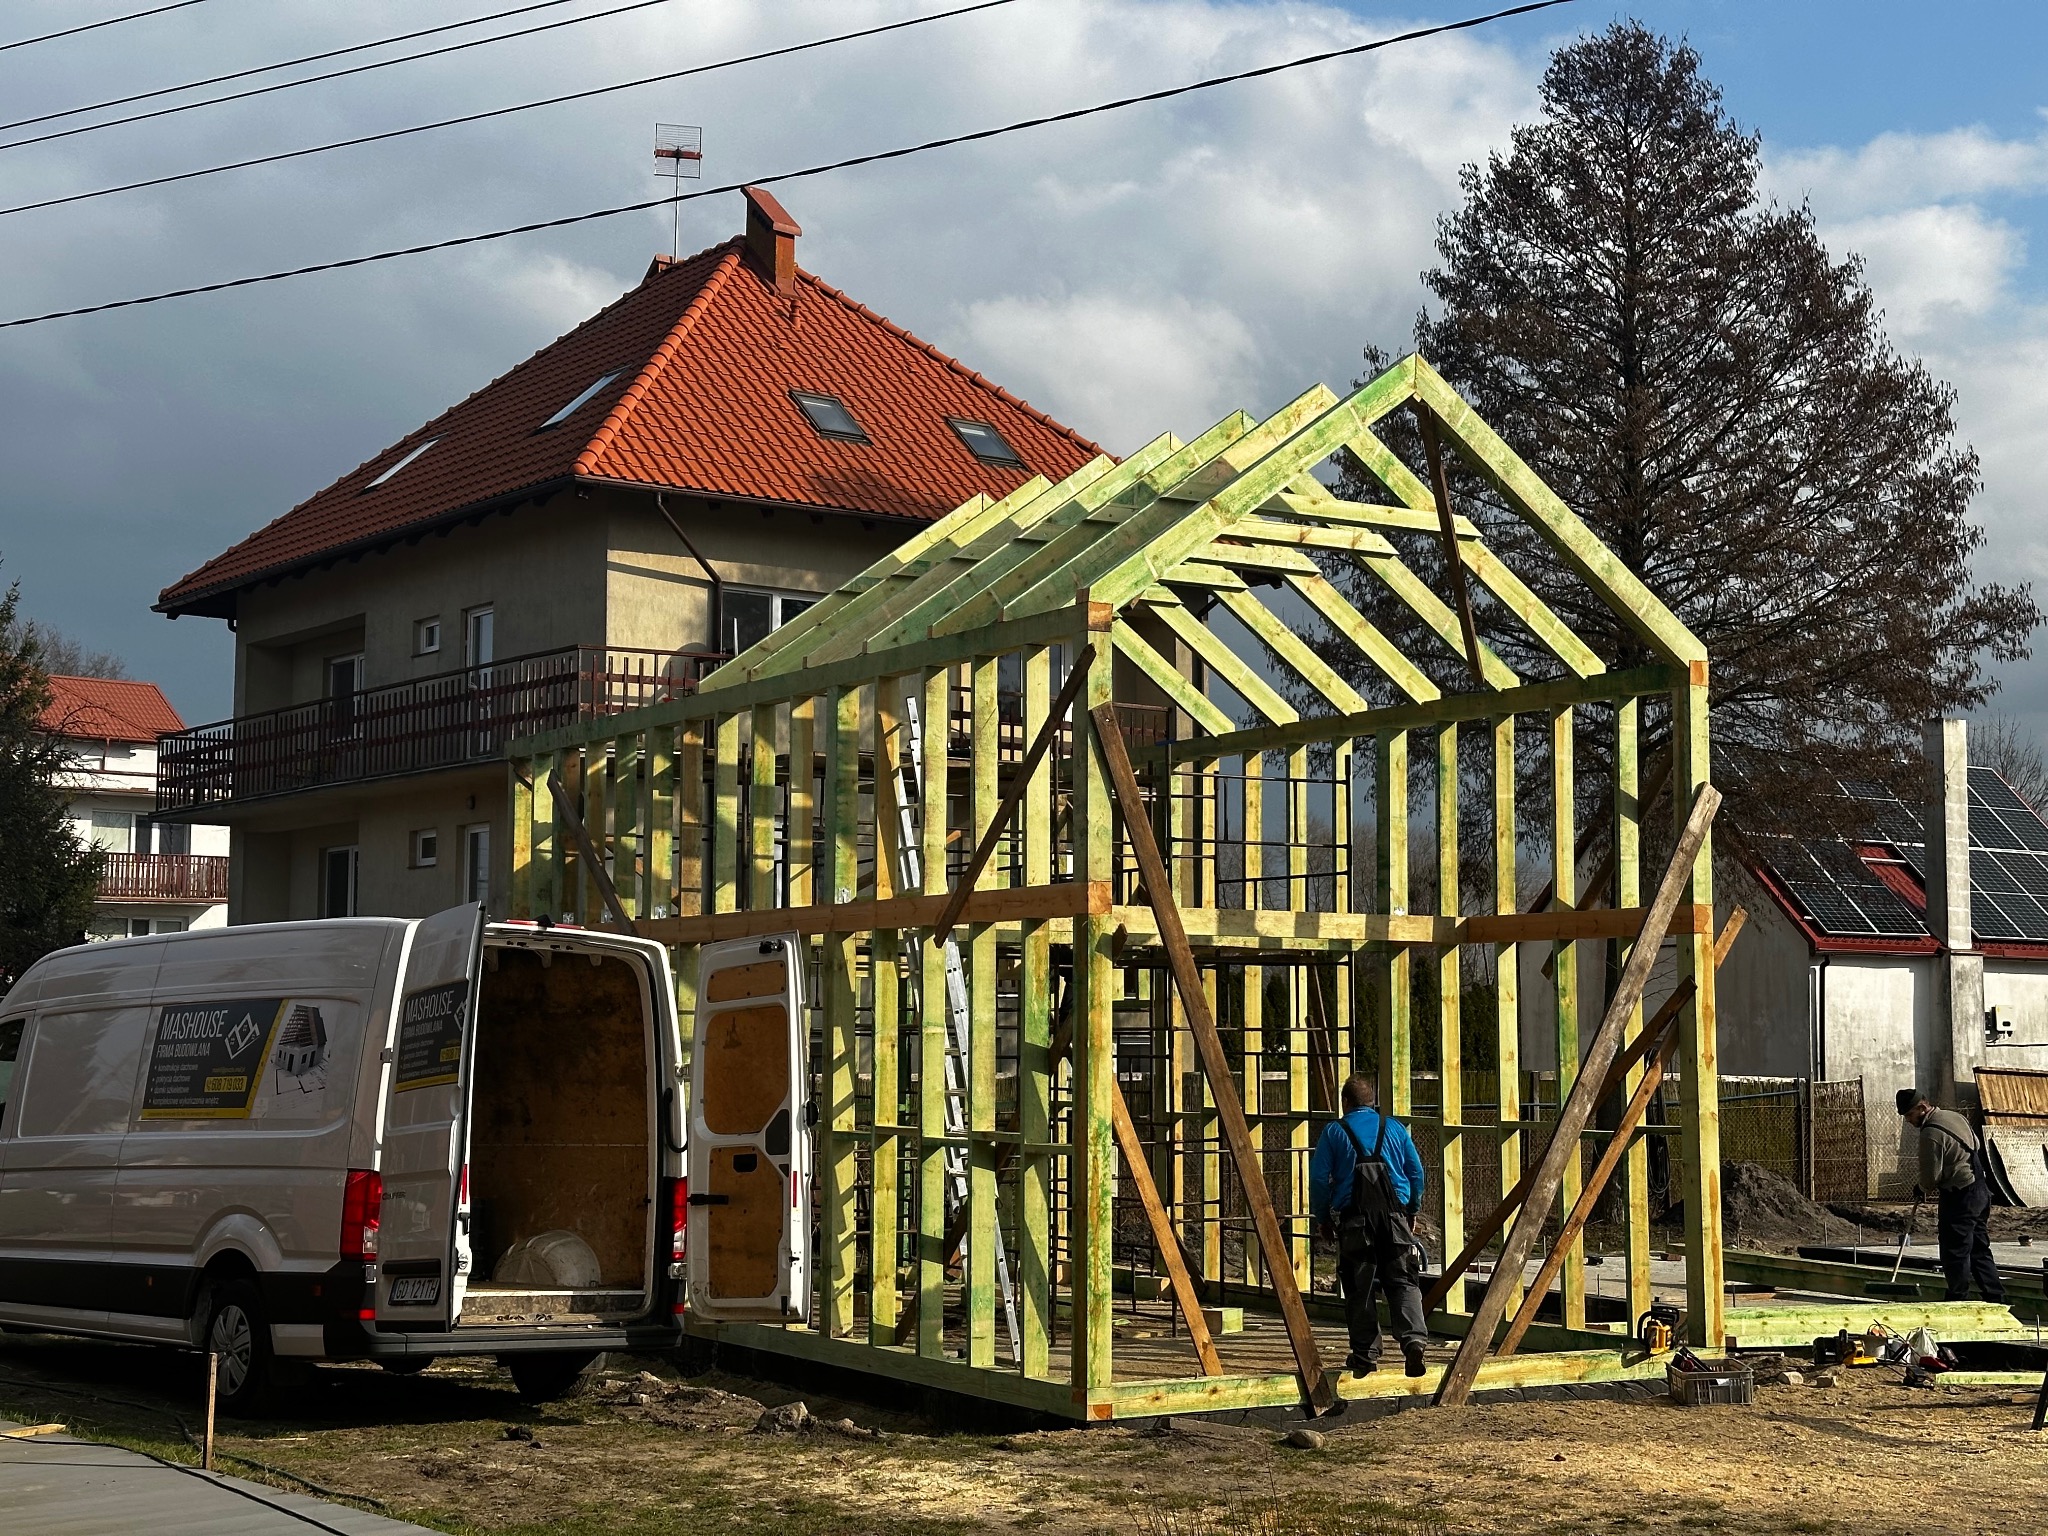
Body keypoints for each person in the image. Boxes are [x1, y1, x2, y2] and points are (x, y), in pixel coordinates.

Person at [1310, 1073, 1429, 1377]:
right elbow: (1416, 1173)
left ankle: (1365, 1354)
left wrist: (1323, 1218)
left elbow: (1319, 1180)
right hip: (1394, 1218)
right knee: (1403, 1280)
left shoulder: (1335, 1132)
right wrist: (1412, 1210)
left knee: (1359, 1286)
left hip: (1355, 1222)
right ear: (1372, 1102)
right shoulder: (1394, 1129)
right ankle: (1413, 1341)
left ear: (1345, 1102)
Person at [1897, 1088, 2004, 1302]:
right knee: (1979, 1247)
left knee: (1954, 1251)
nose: (1909, 1121)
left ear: (1922, 1107)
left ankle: (1957, 1298)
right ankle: (1996, 1297)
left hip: (1960, 1196)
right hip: (1981, 1190)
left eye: (1910, 1115)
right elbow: (1977, 1144)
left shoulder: (1930, 1133)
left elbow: (1930, 1176)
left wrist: (1920, 1189)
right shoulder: (1955, 1117)